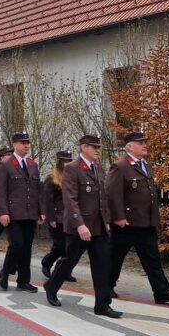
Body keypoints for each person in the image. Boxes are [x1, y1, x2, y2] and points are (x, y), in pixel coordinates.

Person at [44, 135, 119, 316]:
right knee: (69, 261)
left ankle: (102, 305)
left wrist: (107, 221)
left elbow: (102, 198)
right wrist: (79, 224)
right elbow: (70, 199)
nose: (98, 150)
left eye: (99, 147)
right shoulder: (72, 168)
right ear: (84, 148)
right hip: (79, 227)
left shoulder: (97, 168)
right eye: (94, 147)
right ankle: (51, 286)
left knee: (102, 264)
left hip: (98, 226)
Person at [106, 131, 169, 304]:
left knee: (152, 259)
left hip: (145, 222)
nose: (144, 145)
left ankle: (162, 292)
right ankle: (107, 286)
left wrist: (153, 218)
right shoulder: (120, 166)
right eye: (140, 143)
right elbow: (112, 194)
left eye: (144, 143)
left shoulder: (145, 165)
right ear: (129, 147)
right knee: (115, 257)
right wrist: (118, 216)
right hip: (126, 223)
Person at [0, 132, 46, 292]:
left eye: (28, 143)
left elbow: (38, 190)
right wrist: (3, 212)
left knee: (27, 247)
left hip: (30, 213)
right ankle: (5, 272)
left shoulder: (32, 165)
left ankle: (23, 281)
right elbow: (0, 191)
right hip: (14, 213)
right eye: (23, 143)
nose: (26, 146)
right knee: (17, 245)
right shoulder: (6, 165)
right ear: (14, 145)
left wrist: (41, 210)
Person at [41, 151, 75, 283]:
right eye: (64, 161)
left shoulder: (72, 176)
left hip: (70, 216)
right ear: (59, 162)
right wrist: (51, 218)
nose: (67, 163)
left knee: (71, 247)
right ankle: (47, 262)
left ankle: (65, 271)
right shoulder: (52, 178)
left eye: (69, 161)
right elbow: (47, 200)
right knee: (61, 244)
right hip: (57, 216)